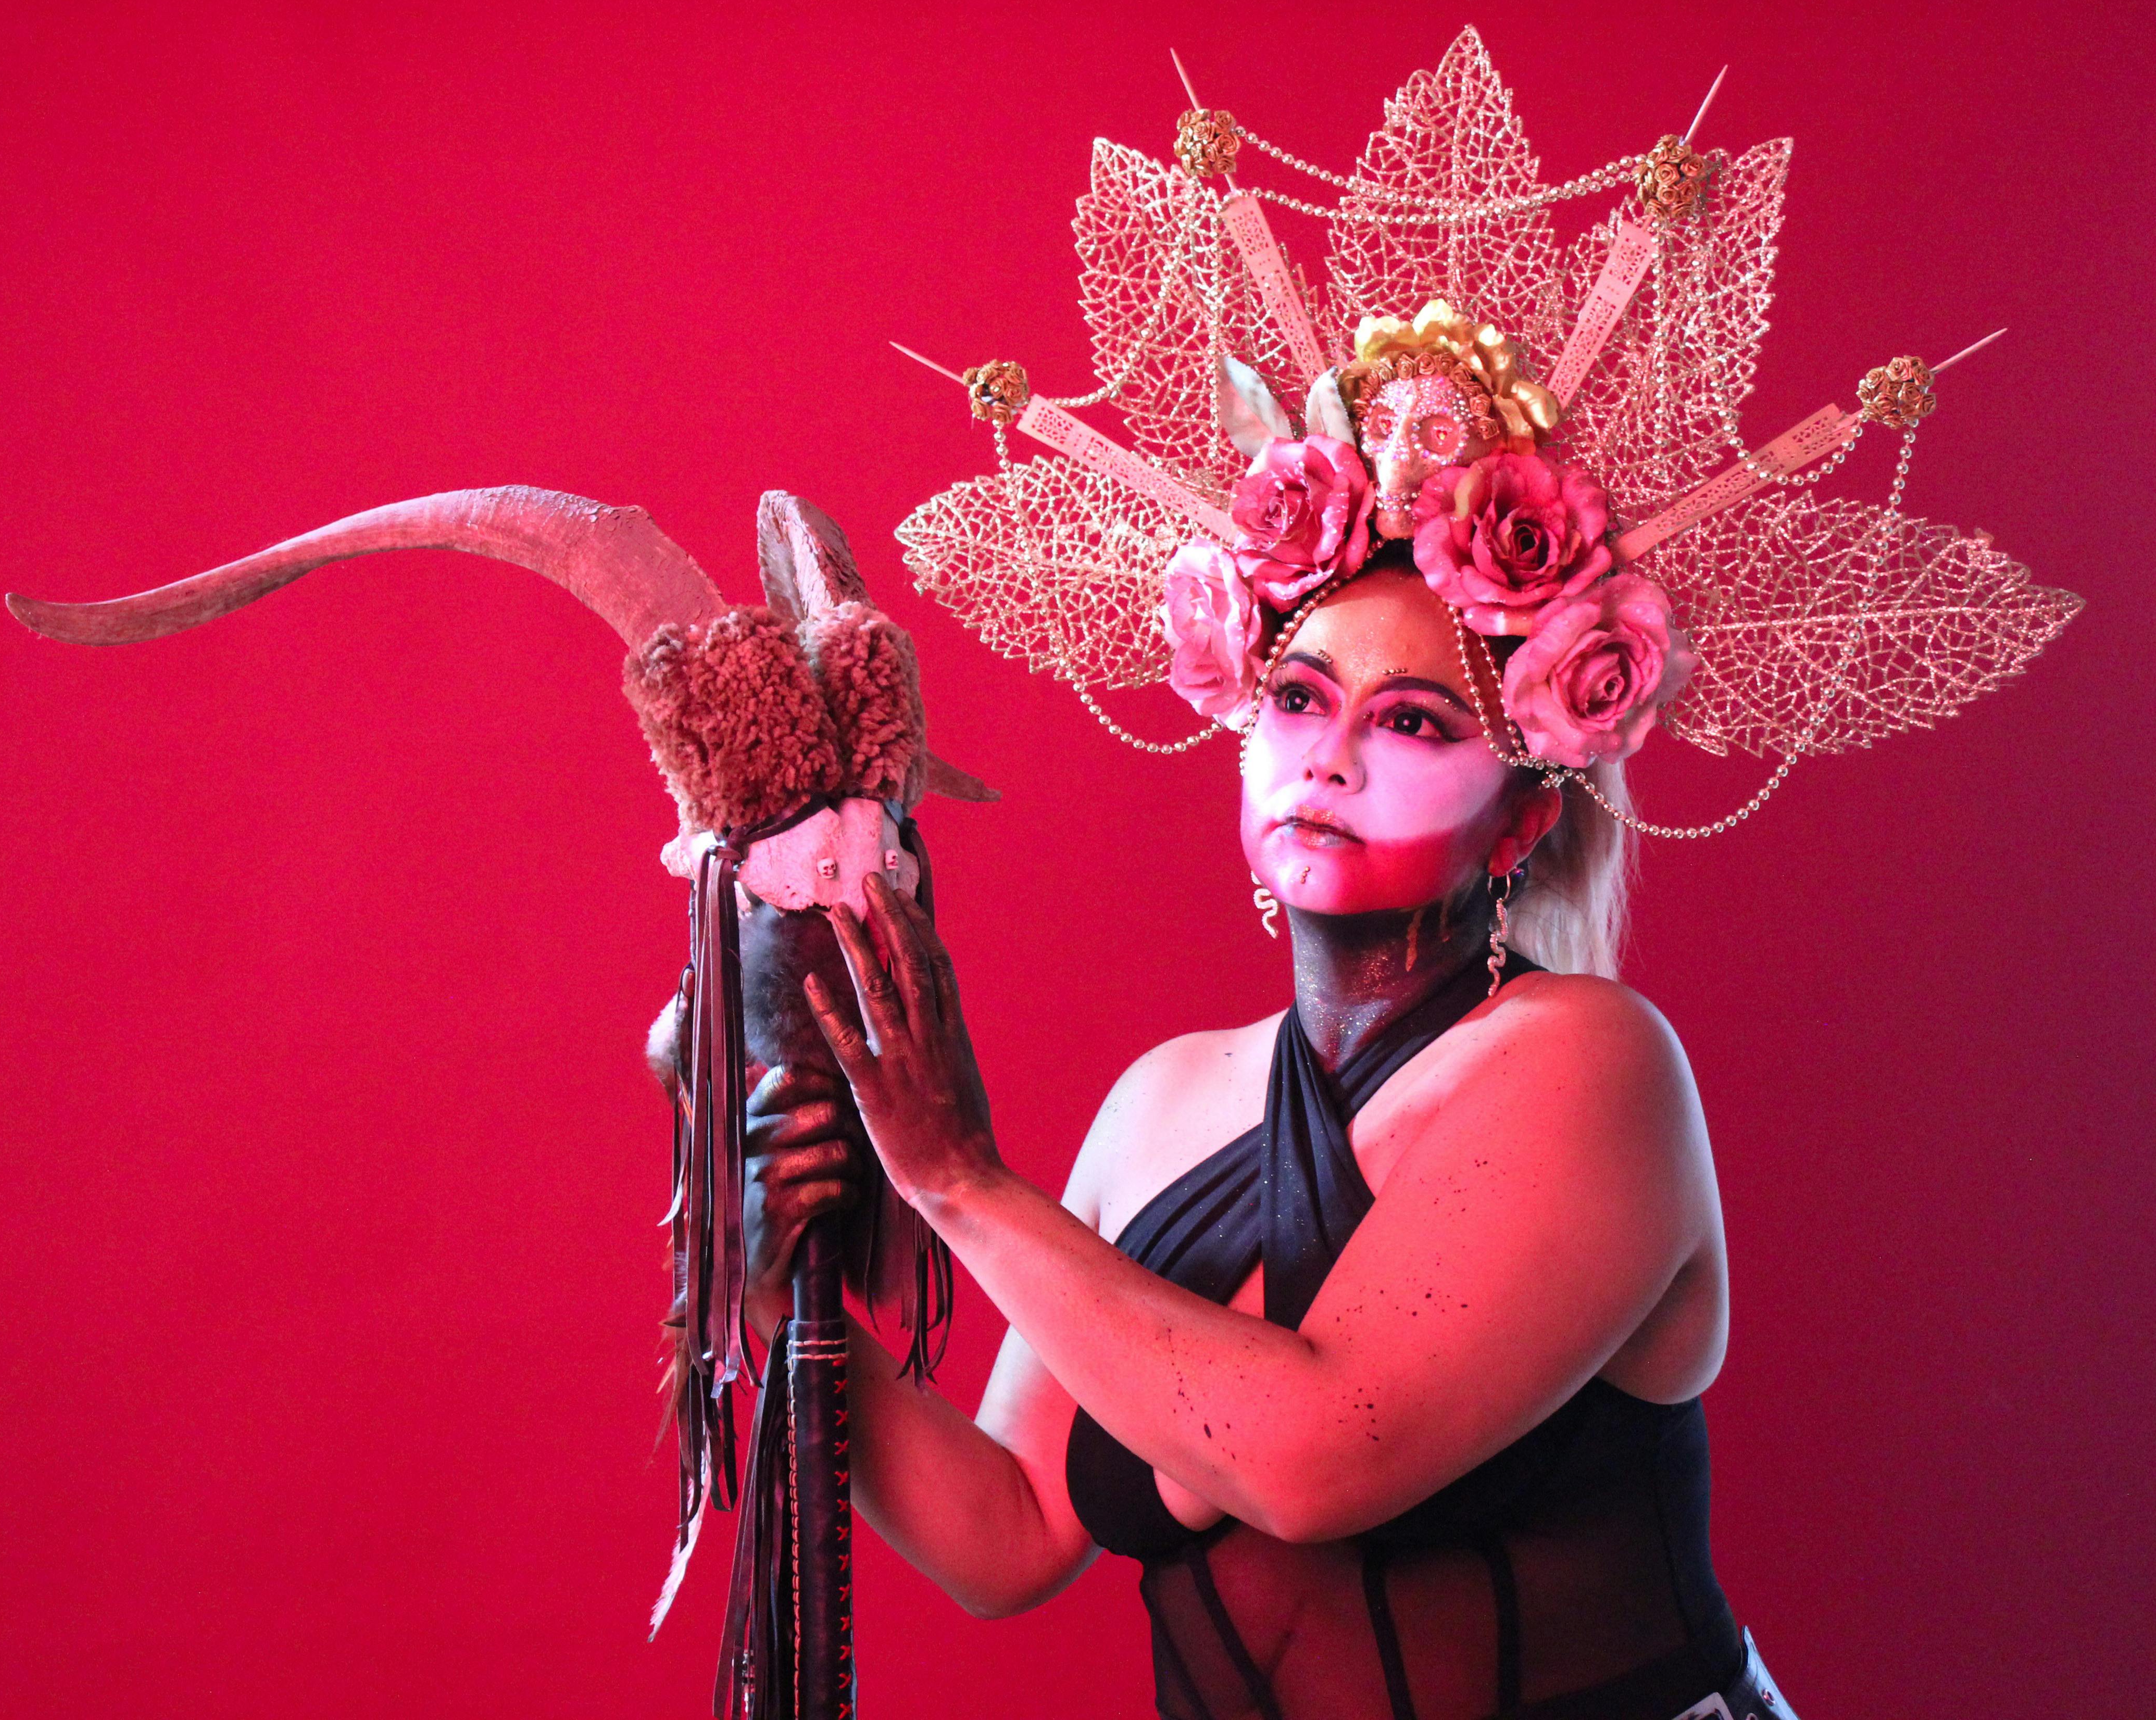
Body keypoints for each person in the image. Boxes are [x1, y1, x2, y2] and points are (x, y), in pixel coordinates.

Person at [744, 547, 1789, 1719]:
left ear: (1522, 821)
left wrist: (959, 1184)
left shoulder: (1592, 1061)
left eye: (1411, 722)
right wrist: (776, 1294)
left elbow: (1312, 1459)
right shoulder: (1164, 1099)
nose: (1328, 757)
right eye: (1298, 698)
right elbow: (1009, 1533)